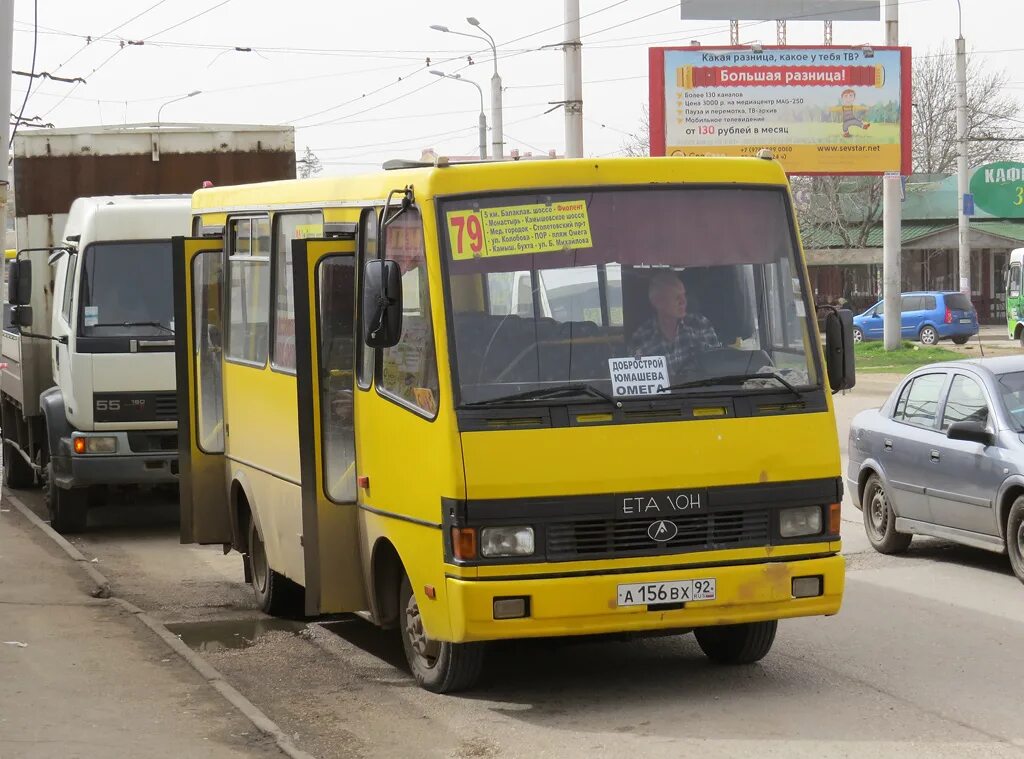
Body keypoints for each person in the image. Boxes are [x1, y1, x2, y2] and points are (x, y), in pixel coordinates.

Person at [629, 270, 720, 379]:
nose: (684, 302)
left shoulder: (700, 325)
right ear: (657, 302)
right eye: (677, 297)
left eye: (684, 295)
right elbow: (637, 381)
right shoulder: (641, 338)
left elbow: (717, 369)